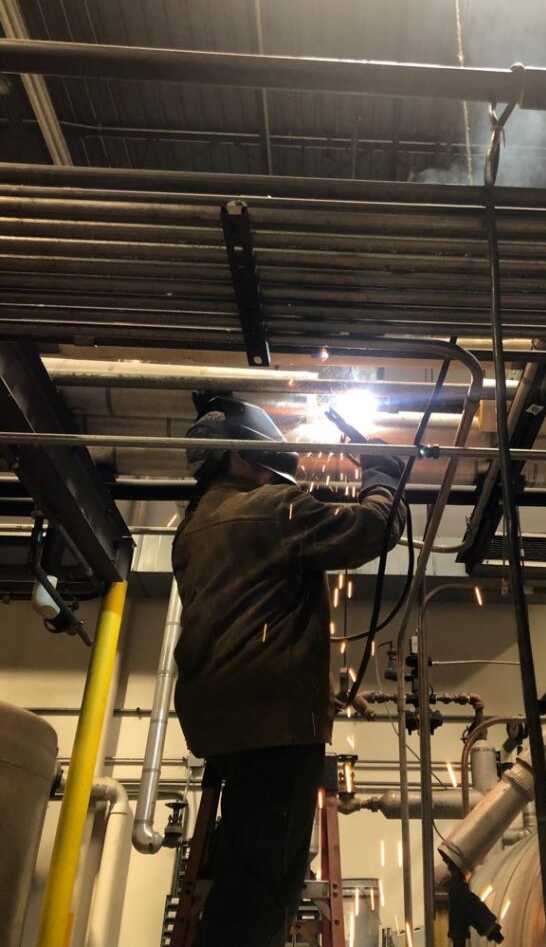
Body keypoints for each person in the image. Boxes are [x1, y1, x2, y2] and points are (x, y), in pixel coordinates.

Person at [172, 393, 406, 947]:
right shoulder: (273, 508)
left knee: (245, 865)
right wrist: (381, 477)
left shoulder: (195, 524)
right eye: (264, 461)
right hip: (272, 723)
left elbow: (254, 606)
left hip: (221, 720)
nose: (271, 473)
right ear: (237, 457)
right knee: (266, 889)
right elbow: (371, 529)